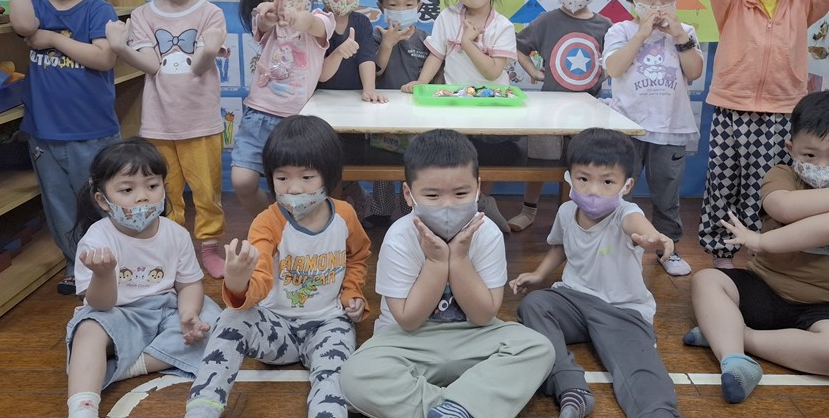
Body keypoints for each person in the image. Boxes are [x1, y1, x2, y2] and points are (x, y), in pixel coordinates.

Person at [685, 90, 829, 404]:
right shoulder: (781, 175)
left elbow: (828, 229)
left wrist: (762, 241)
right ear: (790, 148)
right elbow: (784, 208)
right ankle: (734, 359)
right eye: (809, 155)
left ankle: (736, 336)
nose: (821, 165)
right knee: (707, 279)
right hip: (766, 289)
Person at [339, 129, 554, 418]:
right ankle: (463, 406)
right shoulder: (399, 237)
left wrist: (459, 258)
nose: (448, 205)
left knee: (538, 348)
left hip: (473, 336)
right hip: (408, 341)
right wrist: (437, 262)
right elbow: (408, 320)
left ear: (478, 188)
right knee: (355, 376)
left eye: (461, 193)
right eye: (432, 195)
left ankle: (451, 408)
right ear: (408, 194)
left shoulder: (487, 233)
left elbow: (483, 316)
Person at [186, 115, 371, 418]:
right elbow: (259, 278)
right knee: (231, 318)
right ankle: (202, 408)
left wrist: (352, 292)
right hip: (277, 329)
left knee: (335, 379)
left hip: (327, 326)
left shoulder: (345, 215)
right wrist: (237, 284)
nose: (294, 189)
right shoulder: (267, 221)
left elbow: (358, 256)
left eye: (307, 177)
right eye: (282, 178)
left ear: (328, 176)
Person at [699, 0, 829, 269]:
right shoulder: (731, 0)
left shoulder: (803, 2)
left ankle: (762, 250)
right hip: (731, 107)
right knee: (723, 182)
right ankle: (722, 253)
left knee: (768, 186)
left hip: (781, 111)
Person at [511, 128, 679, 418]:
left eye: (607, 181)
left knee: (640, 368)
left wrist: (653, 237)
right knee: (534, 305)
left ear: (626, 185)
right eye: (583, 179)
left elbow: (638, 226)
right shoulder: (566, 211)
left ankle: (657, 411)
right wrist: (539, 274)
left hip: (620, 310)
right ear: (569, 177)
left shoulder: (626, 213)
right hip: (574, 301)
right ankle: (570, 387)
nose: (593, 190)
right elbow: (561, 246)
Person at [0, 0, 121, 295]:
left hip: (93, 133)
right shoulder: (37, 7)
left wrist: (53, 40)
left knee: (100, 202)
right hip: (45, 135)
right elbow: (23, 26)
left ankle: (112, 263)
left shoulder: (98, 10)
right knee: (60, 206)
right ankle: (76, 265)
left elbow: (103, 58)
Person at [105, 0, 229, 278]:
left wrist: (208, 51)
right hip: (159, 124)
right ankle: (172, 249)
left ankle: (209, 247)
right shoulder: (143, 15)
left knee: (206, 193)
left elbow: (200, 66)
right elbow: (152, 65)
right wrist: (120, 48)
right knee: (164, 192)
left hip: (201, 123)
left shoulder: (210, 13)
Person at [65, 138, 221, 418]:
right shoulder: (97, 239)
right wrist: (103, 274)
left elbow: (188, 283)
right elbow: (100, 305)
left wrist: (189, 313)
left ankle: (131, 365)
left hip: (165, 310)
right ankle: (82, 409)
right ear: (102, 200)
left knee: (216, 322)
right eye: (127, 189)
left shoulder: (176, 234)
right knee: (88, 331)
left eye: (152, 186)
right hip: (117, 313)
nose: (142, 197)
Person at [400, 0, 518, 231]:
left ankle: (483, 203)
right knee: (456, 159)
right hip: (455, 105)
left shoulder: (503, 26)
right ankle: (464, 209)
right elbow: (436, 55)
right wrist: (422, 83)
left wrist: (467, 43)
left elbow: (492, 71)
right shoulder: (448, 17)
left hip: (493, 107)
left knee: (485, 158)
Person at [603, 0, 703, 276]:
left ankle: (667, 249)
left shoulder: (685, 32)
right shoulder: (620, 31)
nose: (658, 4)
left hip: (671, 129)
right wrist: (642, 34)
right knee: (616, 191)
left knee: (667, 196)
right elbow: (614, 68)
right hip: (627, 129)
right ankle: (612, 247)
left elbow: (694, 71)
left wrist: (679, 35)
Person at [509, 0, 611, 232]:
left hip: (589, 113)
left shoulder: (606, 26)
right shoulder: (547, 21)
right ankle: (529, 210)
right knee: (540, 164)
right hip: (550, 112)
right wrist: (532, 70)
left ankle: (579, 217)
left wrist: (607, 71)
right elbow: (516, 46)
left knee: (585, 169)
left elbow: (615, 61)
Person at [230, 0, 334, 217]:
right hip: (258, 116)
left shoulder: (322, 19)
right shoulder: (266, 22)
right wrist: (267, 14)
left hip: (296, 123)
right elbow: (262, 24)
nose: (284, 0)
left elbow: (310, 24)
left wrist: (295, 17)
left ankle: (293, 226)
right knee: (242, 181)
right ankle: (269, 223)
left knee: (294, 188)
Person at [364, 0, 426, 228]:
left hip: (415, 118)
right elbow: (375, 71)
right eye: (393, 5)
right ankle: (380, 208)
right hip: (383, 114)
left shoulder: (425, 40)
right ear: (381, 7)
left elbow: (433, 76)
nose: (401, 10)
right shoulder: (375, 37)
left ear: (419, 6)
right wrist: (387, 44)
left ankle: (406, 209)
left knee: (411, 166)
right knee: (382, 166)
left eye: (408, 4)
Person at [314, 0, 386, 103]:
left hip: (355, 98)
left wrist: (369, 90)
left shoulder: (362, 23)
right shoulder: (315, 24)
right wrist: (339, 52)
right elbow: (320, 75)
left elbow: (366, 59)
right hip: (320, 99)